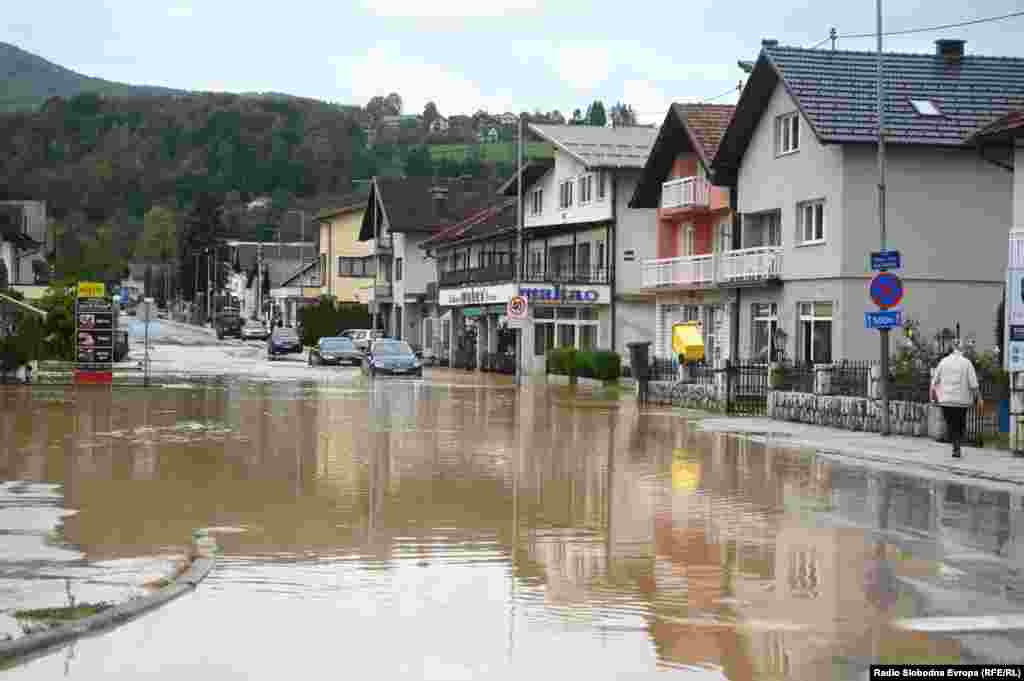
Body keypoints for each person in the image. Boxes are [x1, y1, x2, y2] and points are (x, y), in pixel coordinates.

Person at [931, 339, 979, 458]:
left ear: (951, 349)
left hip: (946, 400)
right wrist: (979, 398)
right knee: (960, 423)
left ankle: (955, 446)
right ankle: (957, 446)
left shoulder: (943, 362)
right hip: (962, 401)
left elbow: (935, 382)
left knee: (950, 423)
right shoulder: (967, 363)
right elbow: (973, 384)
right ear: (961, 350)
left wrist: (934, 396)